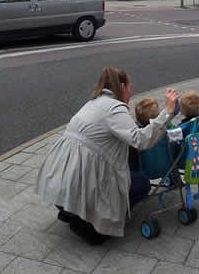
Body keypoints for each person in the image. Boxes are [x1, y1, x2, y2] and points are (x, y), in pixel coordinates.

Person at [35, 67, 179, 245]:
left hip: (61, 178)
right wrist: (168, 110)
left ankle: (71, 209)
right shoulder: (114, 108)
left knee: (122, 172)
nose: (130, 91)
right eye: (129, 87)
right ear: (122, 86)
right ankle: (88, 224)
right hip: (83, 176)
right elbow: (140, 140)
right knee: (141, 183)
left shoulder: (93, 103)